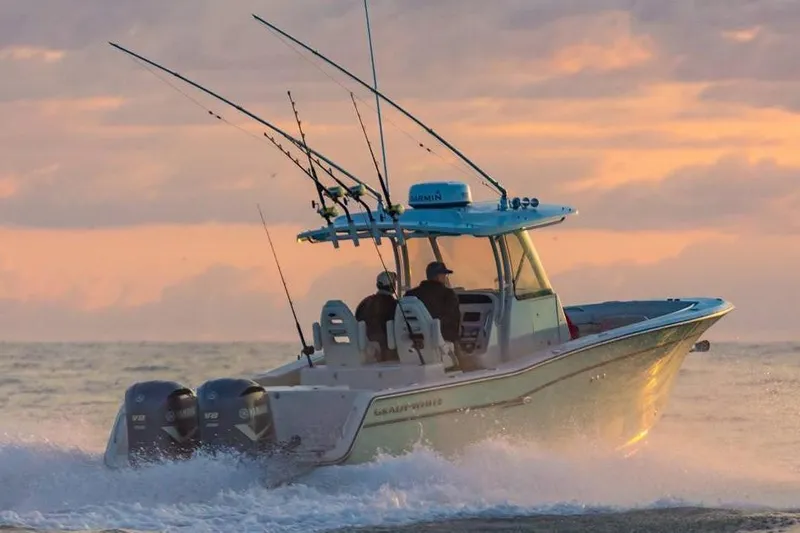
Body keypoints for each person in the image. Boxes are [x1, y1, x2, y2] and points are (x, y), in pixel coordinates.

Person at [405, 261, 461, 348]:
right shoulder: (448, 294)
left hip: (413, 342)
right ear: (438, 277)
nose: (445, 278)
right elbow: (453, 319)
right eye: (444, 275)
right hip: (440, 342)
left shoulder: (409, 295)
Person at [355, 271, 399, 362]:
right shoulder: (394, 305)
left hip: (365, 349)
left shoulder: (364, 303)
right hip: (388, 353)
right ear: (392, 286)